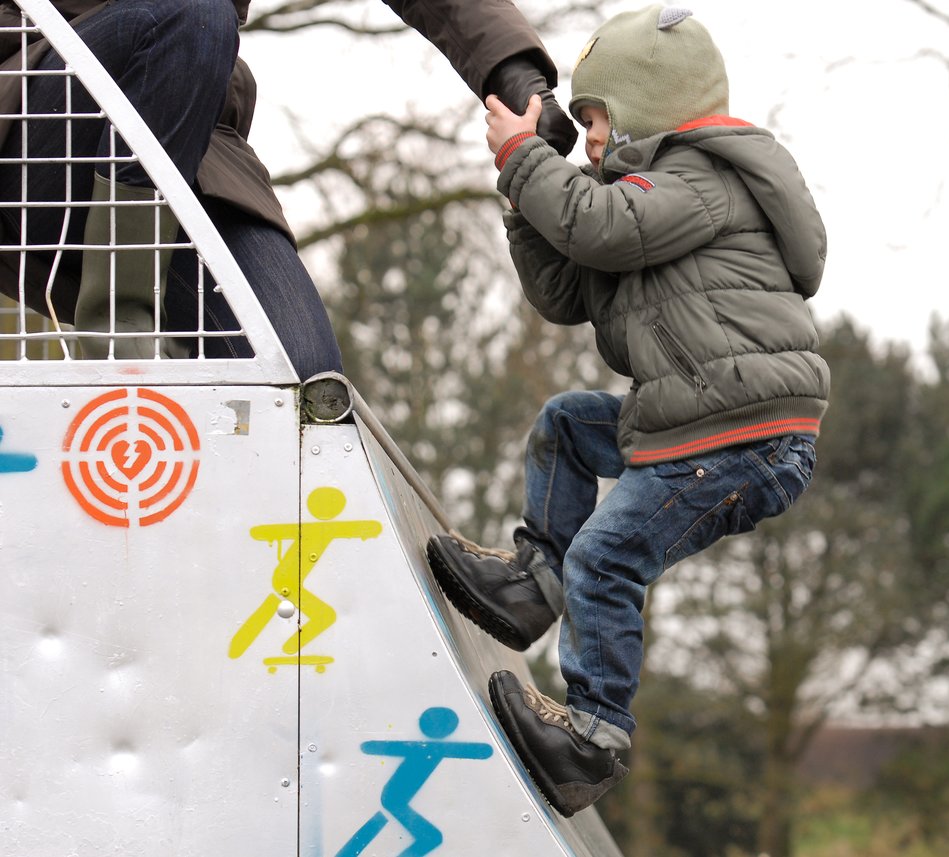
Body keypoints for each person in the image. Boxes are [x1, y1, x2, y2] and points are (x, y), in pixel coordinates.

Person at [425, 4, 830, 816]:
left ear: (652, 103)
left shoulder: (702, 177)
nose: (592, 135)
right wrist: (522, 195)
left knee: (606, 557)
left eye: (598, 117)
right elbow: (569, 288)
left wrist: (522, 159)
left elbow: (599, 225)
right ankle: (532, 585)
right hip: (693, 420)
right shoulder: (639, 201)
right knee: (569, 423)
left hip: (745, 433)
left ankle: (592, 740)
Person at [0, 0, 575, 373]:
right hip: (34, 116)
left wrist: (510, 71)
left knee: (297, 386)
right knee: (192, 12)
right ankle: (120, 340)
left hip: (190, 144)